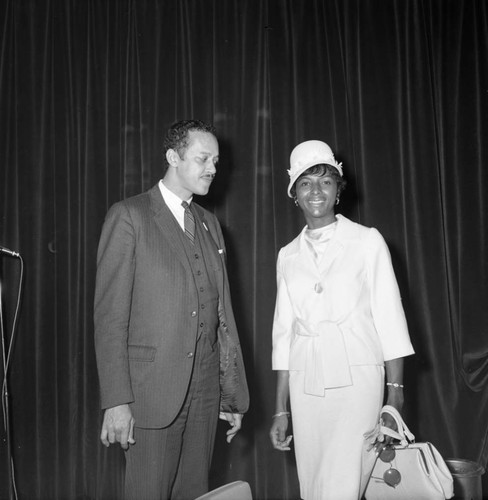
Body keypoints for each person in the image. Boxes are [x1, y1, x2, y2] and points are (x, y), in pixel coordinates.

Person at [94, 119, 249, 500]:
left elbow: (221, 319)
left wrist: (230, 394)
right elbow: (110, 318)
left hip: (204, 395)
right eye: (202, 158)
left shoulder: (211, 225)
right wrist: (116, 401)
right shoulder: (129, 216)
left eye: (215, 160)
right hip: (149, 396)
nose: (212, 168)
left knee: (194, 494)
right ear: (172, 157)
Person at [269, 140, 415, 500]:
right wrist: (279, 409)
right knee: (314, 483)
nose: (315, 190)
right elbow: (283, 333)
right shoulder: (287, 255)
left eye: (325, 181)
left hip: (357, 381)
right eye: (305, 183)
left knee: (345, 484)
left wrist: (394, 399)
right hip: (307, 385)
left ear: (338, 191)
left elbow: (391, 320)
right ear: (294, 195)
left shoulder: (367, 242)